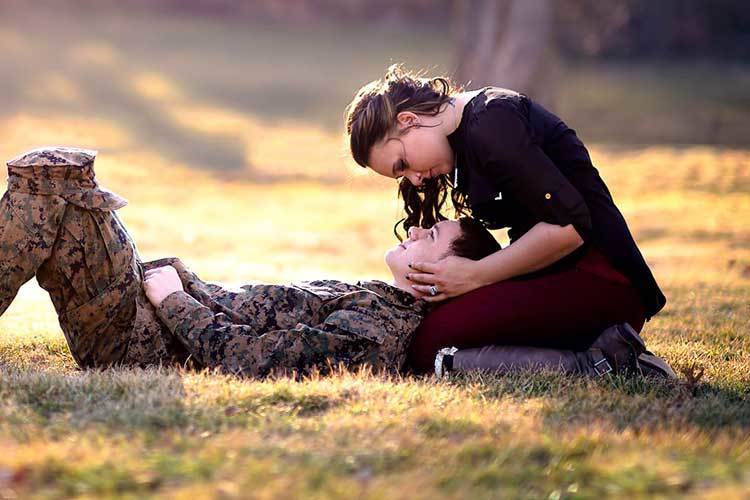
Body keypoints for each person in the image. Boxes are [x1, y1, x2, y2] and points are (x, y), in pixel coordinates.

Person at [0, 146, 671, 379]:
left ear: (443, 277)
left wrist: (173, 299)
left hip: (145, 347)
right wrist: (183, 283)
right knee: (65, 188)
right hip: (160, 313)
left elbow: (253, 361)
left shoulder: (380, 332)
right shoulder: (383, 298)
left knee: (58, 187)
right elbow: (256, 311)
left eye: (436, 235)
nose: (423, 224)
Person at [344, 64, 667, 373]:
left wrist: (476, 275)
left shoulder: (491, 122)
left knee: (428, 343)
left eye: (402, 164)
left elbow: (571, 229)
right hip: (554, 277)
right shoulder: (460, 143)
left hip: (602, 280)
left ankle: (603, 365)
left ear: (409, 120)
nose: (414, 180)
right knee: (432, 331)